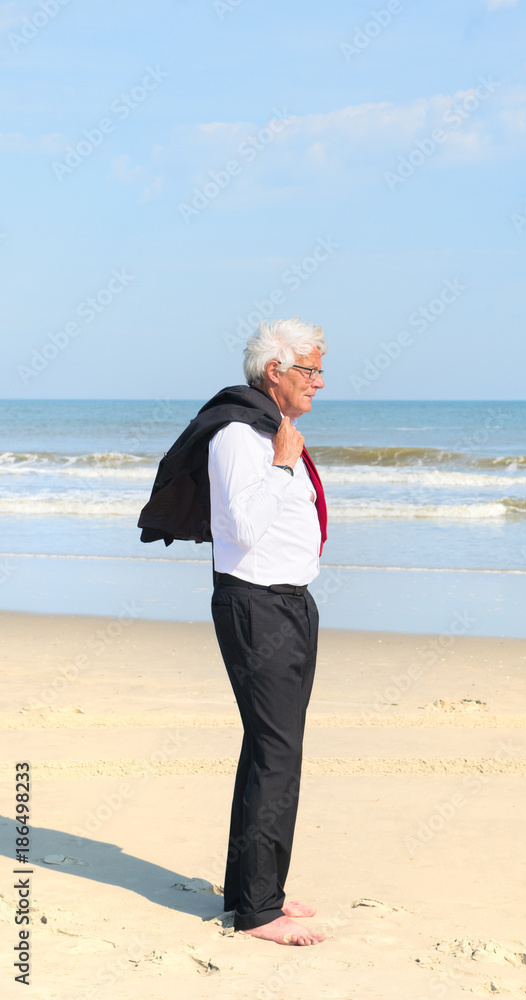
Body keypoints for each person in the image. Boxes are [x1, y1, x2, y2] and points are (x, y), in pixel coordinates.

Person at [138, 317, 328, 946]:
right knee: (276, 751)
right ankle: (257, 912)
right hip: (255, 607)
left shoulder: (271, 432)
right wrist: (280, 465)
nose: (319, 383)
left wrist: (282, 458)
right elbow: (242, 529)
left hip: (292, 603)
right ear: (275, 371)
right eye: (310, 369)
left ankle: (254, 890)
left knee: (274, 748)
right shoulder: (237, 437)